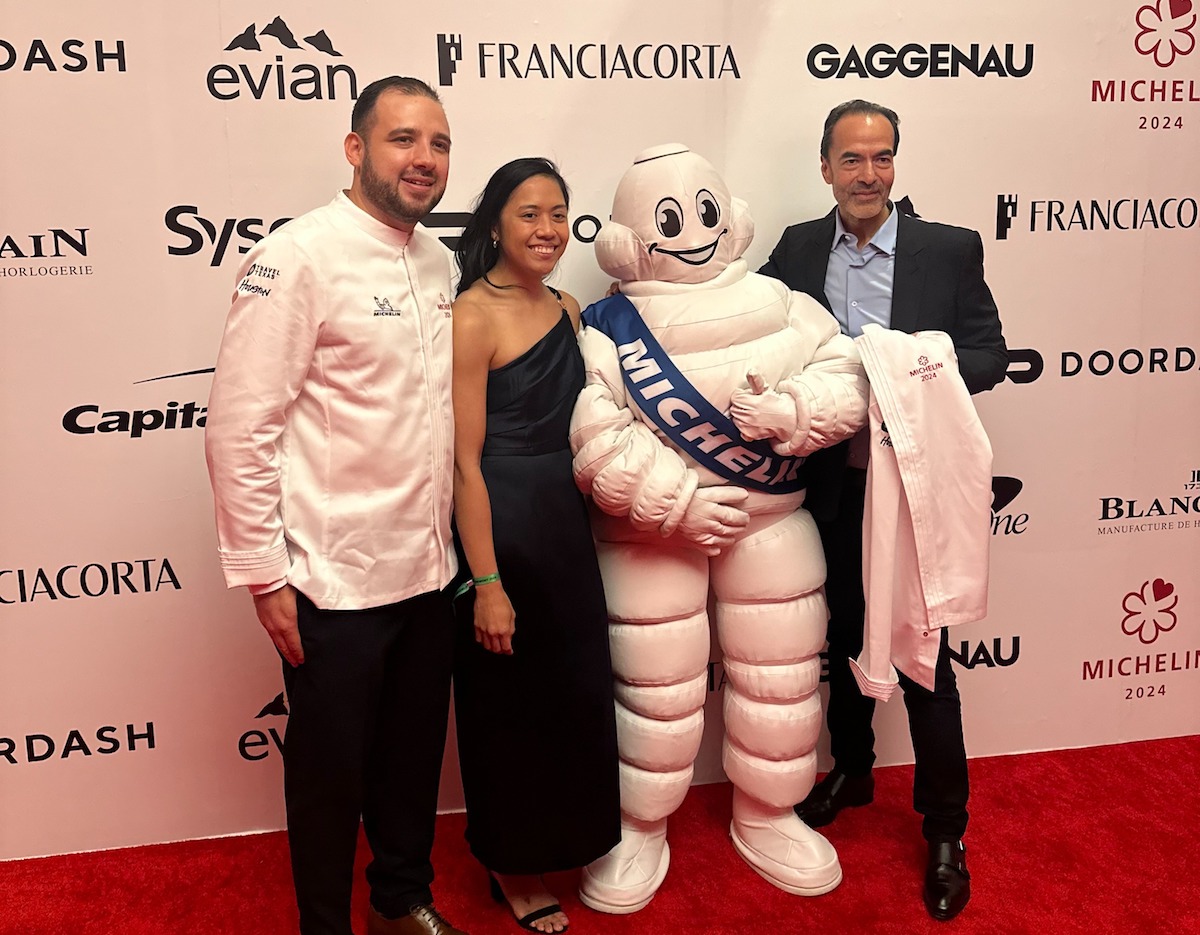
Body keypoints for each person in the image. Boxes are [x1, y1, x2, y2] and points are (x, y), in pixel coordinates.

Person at [205, 76, 469, 935]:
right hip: (331, 581)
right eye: (402, 139)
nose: (423, 159)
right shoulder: (298, 256)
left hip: (429, 573)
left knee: (410, 758)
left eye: (437, 143)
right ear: (355, 149)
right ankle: (326, 922)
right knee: (326, 774)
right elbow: (241, 428)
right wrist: (262, 573)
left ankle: (401, 895)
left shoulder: (438, 260)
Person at [759, 99, 1008, 922]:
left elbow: (989, 355)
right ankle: (854, 770)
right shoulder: (798, 246)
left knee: (926, 657)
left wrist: (902, 367)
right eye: (852, 159)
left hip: (913, 494)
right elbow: (752, 332)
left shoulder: (949, 248)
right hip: (830, 488)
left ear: (895, 165)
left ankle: (946, 830)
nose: (868, 174)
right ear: (825, 167)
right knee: (838, 634)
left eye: (882, 157)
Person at [450, 158, 621, 934]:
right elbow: (462, 461)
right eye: (528, 214)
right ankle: (511, 864)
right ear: (493, 224)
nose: (548, 229)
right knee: (506, 707)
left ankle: (572, 836)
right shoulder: (471, 316)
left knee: (575, 695)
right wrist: (485, 579)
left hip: (567, 527)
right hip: (503, 527)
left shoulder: (571, 307)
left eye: (558, 213)